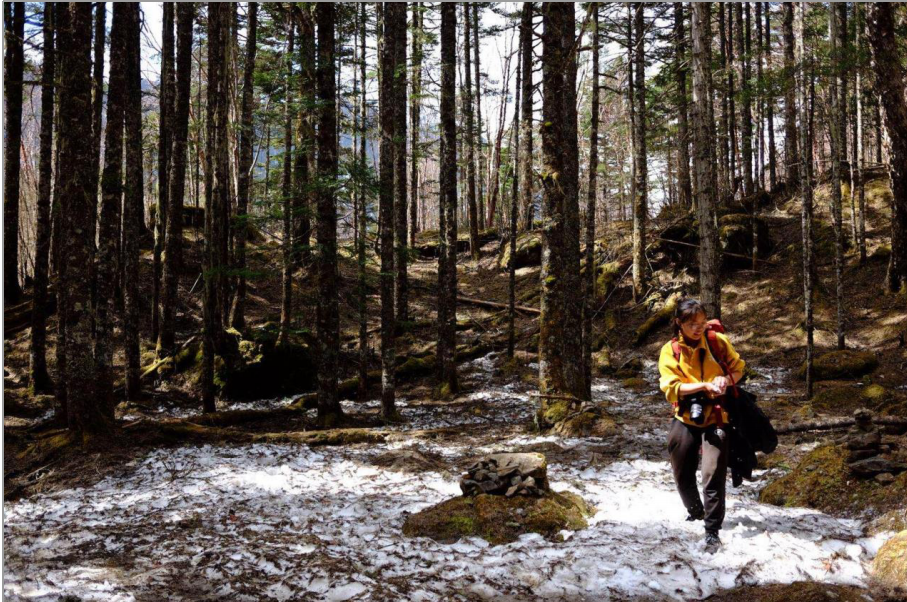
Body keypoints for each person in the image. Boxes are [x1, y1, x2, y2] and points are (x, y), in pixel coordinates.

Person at [658, 298, 745, 553]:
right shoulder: (670, 350)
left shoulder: (718, 342)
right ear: (679, 323)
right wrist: (703, 386)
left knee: (713, 472)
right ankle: (695, 511)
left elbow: (739, 369)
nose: (698, 328)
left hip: (717, 416)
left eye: (702, 323)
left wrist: (725, 382)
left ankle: (712, 530)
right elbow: (671, 388)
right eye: (692, 324)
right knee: (682, 469)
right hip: (685, 415)